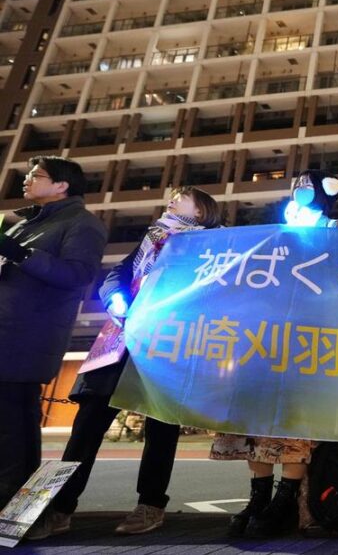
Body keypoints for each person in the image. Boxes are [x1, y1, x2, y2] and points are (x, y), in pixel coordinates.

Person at [26, 187, 222, 540]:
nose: (172, 198)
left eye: (182, 196)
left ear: (202, 210)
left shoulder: (213, 247)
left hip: (168, 346)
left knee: (160, 428)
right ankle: (60, 507)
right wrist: (116, 297)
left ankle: (150, 504)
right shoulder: (154, 237)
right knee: (86, 427)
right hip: (122, 340)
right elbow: (119, 273)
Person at [212, 170, 338, 538]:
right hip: (265, 337)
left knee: (294, 422)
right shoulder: (277, 230)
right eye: (297, 187)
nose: (300, 193)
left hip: (309, 338)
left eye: (308, 187)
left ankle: (285, 499)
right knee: (257, 420)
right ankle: (259, 499)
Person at [0, 156, 107, 510]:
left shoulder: (82, 224)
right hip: (6, 329)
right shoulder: (22, 224)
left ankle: (16, 508)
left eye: (36, 175)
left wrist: (20, 255)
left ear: (62, 185)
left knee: (15, 425)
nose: (26, 180)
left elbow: (77, 275)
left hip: (27, 335)